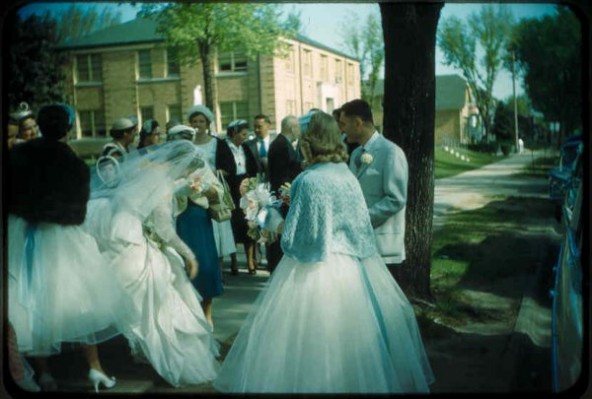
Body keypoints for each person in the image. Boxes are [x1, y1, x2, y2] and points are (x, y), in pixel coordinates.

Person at [213, 111, 434, 393]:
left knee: (306, 348)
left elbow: (298, 239)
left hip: (313, 273)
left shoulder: (309, 180)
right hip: (350, 273)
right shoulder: (347, 176)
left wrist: (266, 219)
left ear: (309, 143)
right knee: (349, 348)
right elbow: (360, 229)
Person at [7, 103, 132, 392]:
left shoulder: (19, 154)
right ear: (67, 128)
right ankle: (95, 368)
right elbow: (79, 206)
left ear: (39, 125)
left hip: (25, 231)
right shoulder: (73, 163)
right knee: (82, 300)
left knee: (32, 302)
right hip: (61, 233)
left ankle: (44, 373)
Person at [84, 139, 221, 387]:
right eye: (189, 171)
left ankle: (117, 355)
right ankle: (161, 357)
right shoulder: (164, 182)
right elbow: (164, 228)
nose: (188, 176)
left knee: (129, 298)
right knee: (156, 300)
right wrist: (189, 254)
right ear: (183, 166)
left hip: (115, 230)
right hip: (132, 239)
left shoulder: (146, 168)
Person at [340, 99, 409, 283]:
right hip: (359, 245)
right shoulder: (355, 154)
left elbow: (396, 199)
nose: (342, 129)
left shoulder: (391, 152)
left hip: (383, 246)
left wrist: (362, 219)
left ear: (358, 123)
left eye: (344, 124)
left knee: (387, 307)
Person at [169, 120, 225, 330]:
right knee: (184, 268)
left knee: (206, 267)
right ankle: (186, 316)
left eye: (188, 142)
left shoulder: (200, 164)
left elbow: (217, 190)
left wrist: (206, 189)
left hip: (200, 219)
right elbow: (164, 192)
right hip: (180, 220)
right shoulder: (169, 166)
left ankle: (208, 315)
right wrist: (182, 186)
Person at [186, 105, 238, 281]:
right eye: (194, 121)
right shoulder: (187, 145)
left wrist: (213, 174)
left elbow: (230, 167)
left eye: (201, 121)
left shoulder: (218, 143)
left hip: (212, 191)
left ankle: (219, 270)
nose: (198, 124)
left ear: (208, 123)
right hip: (193, 193)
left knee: (218, 230)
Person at [265, 114, 302, 273]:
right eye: (298, 128)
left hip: (283, 194)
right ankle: (277, 266)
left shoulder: (283, 143)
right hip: (283, 196)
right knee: (280, 231)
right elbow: (281, 175)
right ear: (292, 128)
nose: (299, 131)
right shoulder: (281, 145)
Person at [225, 119, 259, 274]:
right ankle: (234, 262)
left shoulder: (246, 147)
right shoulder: (225, 147)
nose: (245, 137)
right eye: (243, 134)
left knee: (248, 224)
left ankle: (250, 260)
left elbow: (254, 168)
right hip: (231, 189)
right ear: (234, 133)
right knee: (233, 225)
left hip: (246, 188)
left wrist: (251, 183)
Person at [244, 114, 273, 182]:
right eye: (255, 127)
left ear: (268, 126)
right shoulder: (248, 145)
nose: (256, 130)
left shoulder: (276, 143)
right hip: (255, 184)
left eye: (259, 127)